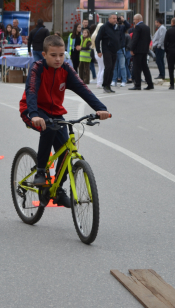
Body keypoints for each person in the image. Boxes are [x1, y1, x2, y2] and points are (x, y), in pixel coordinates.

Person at [19, 35, 110, 207]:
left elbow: (83, 89)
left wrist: (101, 108)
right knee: (48, 128)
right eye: (53, 55)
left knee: (65, 150)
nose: (58, 59)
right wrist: (34, 114)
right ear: (44, 54)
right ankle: (40, 171)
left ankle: (57, 190)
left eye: (61, 54)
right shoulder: (36, 69)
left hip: (55, 112)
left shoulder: (66, 70)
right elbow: (31, 91)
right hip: (32, 110)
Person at [95, 14, 121, 93]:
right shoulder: (104, 27)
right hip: (106, 50)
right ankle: (105, 85)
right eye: (113, 18)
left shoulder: (116, 27)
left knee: (112, 69)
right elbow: (97, 39)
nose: (115, 20)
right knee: (108, 67)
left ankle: (108, 86)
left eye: (116, 18)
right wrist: (98, 51)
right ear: (109, 19)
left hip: (114, 51)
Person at [129, 14, 154, 91]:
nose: (133, 21)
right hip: (144, 51)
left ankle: (137, 85)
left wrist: (131, 49)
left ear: (138, 19)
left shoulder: (138, 27)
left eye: (134, 19)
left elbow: (135, 39)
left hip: (137, 51)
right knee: (145, 67)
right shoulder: (147, 27)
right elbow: (149, 39)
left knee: (137, 68)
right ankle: (150, 84)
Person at [112, 16, 130, 87]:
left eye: (117, 19)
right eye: (115, 19)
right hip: (114, 49)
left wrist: (124, 20)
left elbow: (128, 26)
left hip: (121, 48)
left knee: (122, 66)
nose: (116, 20)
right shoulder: (112, 27)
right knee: (115, 66)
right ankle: (114, 80)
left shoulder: (122, 27)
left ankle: (124, 81)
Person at [91, 22, 104, 89]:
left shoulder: (94, 35)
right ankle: (100, 82)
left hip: (96, 53)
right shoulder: (100, 36)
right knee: (103, 68)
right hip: (101, 53)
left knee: (100, 68)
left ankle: (99, 83)